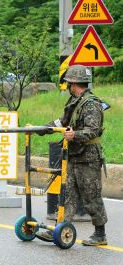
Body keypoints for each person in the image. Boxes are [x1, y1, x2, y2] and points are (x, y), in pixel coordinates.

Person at [35, 65, 108, 246]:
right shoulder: (74, 101)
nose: (67, 85)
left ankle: (100, 234)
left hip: (88, 157)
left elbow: (93, 130)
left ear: (74, 83)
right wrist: (44, 128)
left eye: (68, 83)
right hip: (74, 155)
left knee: (91, 196)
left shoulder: (91, 103)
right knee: (68, 195)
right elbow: (62, 121)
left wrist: (74, 135)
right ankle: (60, 228)